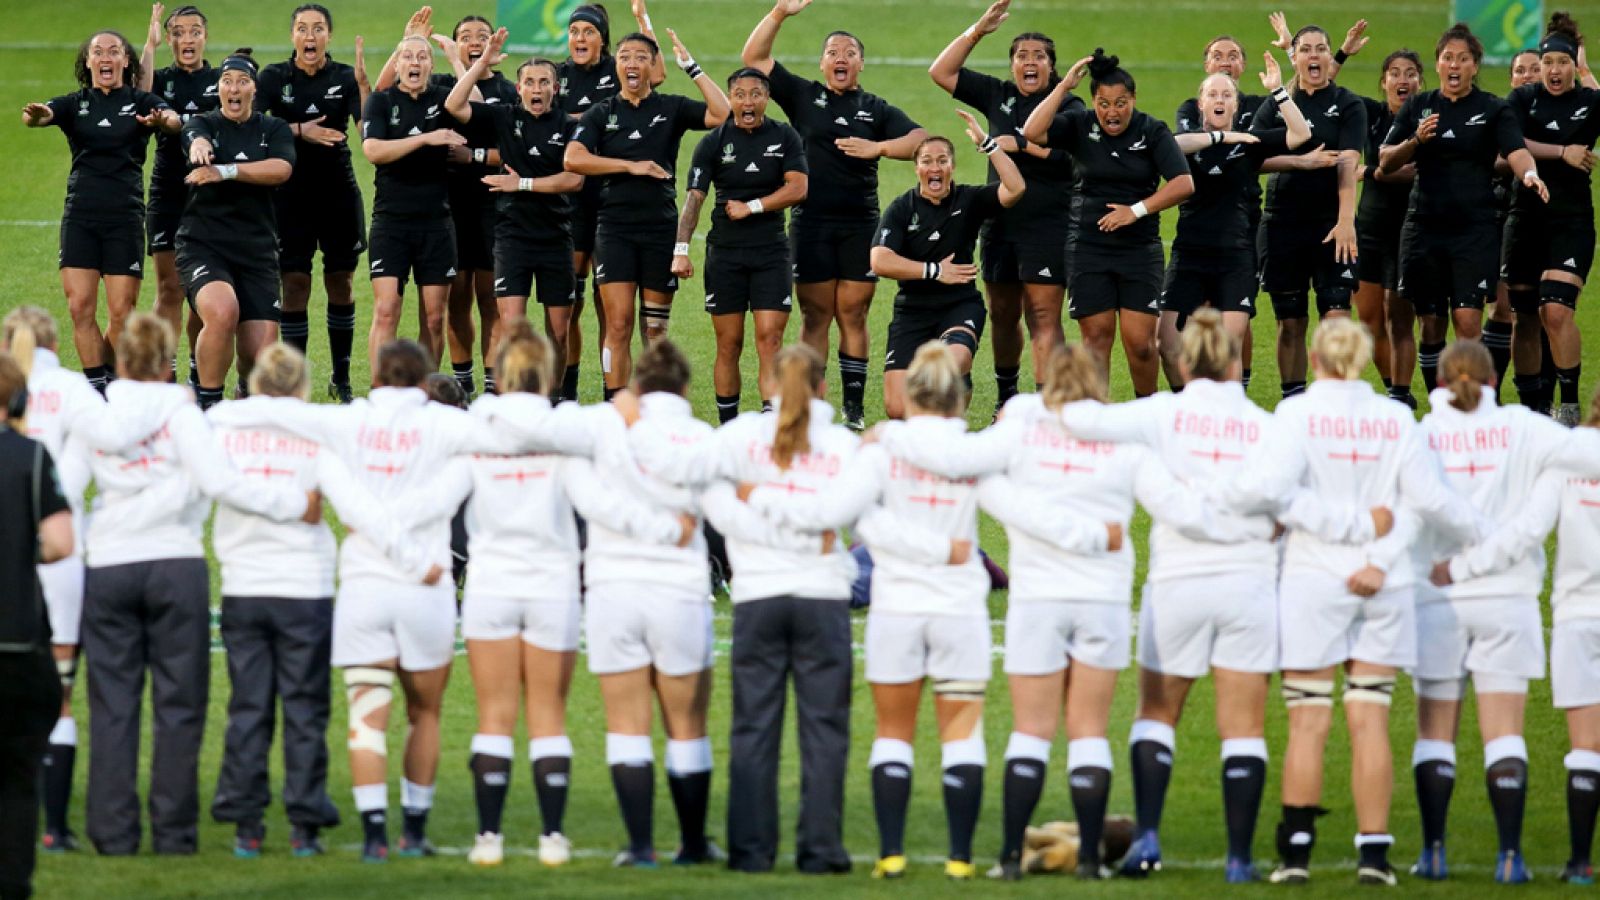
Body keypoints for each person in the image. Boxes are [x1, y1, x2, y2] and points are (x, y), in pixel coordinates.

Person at [873, 337, 1352, 881]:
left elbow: (961, 463)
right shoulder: (1125, 442)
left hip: (1040, 600)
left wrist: (892, 434)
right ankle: (1111, 865)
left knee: (1030, 730)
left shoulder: (1025, 424)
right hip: (1103, 601)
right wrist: (1248, 529)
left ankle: (1008, 859)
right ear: (1100, 385)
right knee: (1090, 732)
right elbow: (1179, 509)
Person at [625, 343, 926, 874]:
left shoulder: (740, 437)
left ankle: (750, 850)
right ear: (823, 387)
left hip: (758, 597)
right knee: (825, 729)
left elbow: (686, 475)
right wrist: (808, 531)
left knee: (753, 727)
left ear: (769, 384)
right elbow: (843, 513)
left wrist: (757, 505)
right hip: (822, 599)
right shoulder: (841, 444)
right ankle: (820, 850)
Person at [1211, 319, 1484, 885]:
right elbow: (1425, 501)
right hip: (1384, 583)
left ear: (1313, 357)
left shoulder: (1296, 415)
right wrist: (1383, 558)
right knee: (1371, 719)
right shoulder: (1394, 416)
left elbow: (1266, 492)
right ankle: (1374, 858)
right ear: (1363, 358)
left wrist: (1331, 523)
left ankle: (1296, 857)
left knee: (1308, 720)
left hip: (1312, 581)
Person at [405, 323, 689, 867]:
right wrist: (665, 529)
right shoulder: (568, 431)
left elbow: (436, 501)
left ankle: (488, 839)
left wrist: (396, 543)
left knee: (493, 715)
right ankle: (552, 838)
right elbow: (599, 504)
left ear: (502, 372)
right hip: (553, 588)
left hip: (490, 585)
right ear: (549, 372)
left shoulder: (479, 430)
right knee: (548, 715)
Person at [79, 313, 318, 856]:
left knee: (113, 703)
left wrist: (100, 532)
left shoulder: (96, 413)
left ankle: (113, 834)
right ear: (166, 363)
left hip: (110, 564)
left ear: (119, 361)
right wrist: (291, 504)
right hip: (174, 562)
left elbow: (68, 489)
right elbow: (218, 482)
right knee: (179, 704)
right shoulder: (183, 415)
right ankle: (174, 833)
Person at [204, 343, 432, 858]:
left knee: (248, 707)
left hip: (244, 587)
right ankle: (305, 825)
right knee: (305, 710)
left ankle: (247, 824)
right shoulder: (316, 436)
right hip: (304, 589)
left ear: (257, 381)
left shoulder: (225, 428)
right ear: (302, 385)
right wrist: (415, 558)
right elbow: (357, 508)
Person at [1406, 341, 1600, 883]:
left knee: (1435, 734)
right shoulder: (1524, 427)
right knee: (1505, 734)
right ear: (1494, 382)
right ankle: (1510, 857)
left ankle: (1434, 853)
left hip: (1438, 599)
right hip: (1508, 601)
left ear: (1439, 384)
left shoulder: (1421, 435)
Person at [741, 0, 927, 430]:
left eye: (849, 52)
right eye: (833, 52)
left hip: (861, 224)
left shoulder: (875, 108)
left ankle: (855, 411)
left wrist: (878, 147)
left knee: (855, 314)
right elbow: (753, 59)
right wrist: (779, 14)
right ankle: (814, 408)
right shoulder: (804, 96)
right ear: (822, 63)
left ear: (861, 63)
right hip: (810, 224)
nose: (841, 58)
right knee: (815, 317)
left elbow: (920, 139)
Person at [1, 308, 133, 853]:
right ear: (57, 340)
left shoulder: (12, 387)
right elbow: (114, 438)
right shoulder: (74, 388)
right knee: (60, 691)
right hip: (61, 548)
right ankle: (54, 826)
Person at [564, 29, 728, 399]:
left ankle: (655, 404)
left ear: (654, 65)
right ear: (617, 64)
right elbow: (573, 158)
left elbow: (722, 113)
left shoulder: (670, 107)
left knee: (655, 330)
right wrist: (630, 167)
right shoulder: (601, 112)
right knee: (618, 325)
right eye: (624, 56)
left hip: (659, 230)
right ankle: (616, 406)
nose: (632, 63)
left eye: (641, 56)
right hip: (614, 231)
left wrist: (691, 66)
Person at [1380, 22, 1548, 382]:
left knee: (1469, 320)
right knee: (1430, 324)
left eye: (1463, 59)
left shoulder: (1492, 109)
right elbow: (1385, 161)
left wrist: (1530, 174)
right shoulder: (1419, 106)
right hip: (1424, 227)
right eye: (1447, 58)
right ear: (1438, 64)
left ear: (1475, 66)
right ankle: (1441, 404)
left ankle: (1470, 405)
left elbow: (1516, 151)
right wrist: (1415, 141)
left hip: (1474, 229)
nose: (1454, 65)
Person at [930, 0, 1077, 409]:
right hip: (999, 224)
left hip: (1048, 224)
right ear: (1012, 65)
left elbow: (1072, 161)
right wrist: (977, 31)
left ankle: (1049, 409)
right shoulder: (999, 95)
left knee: (1044, 317)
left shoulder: (1068, 105)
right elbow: (940, 72)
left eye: (1039, 57)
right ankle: (1008, 402)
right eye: (1021, 57)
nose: (1030, 63)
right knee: (1002, 315)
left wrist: (1020, 145)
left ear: (1052, 67)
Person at [1022, 49, 1193, 398]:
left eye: (1120, 103)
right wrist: (1063, 87)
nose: (1111, 112)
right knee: (1096, 340)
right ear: (1093, 102)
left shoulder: (1152, 131)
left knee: (1141, 343)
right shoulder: (1079, 125)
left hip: (1138, 251)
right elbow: (1031, 131)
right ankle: (1096, 421)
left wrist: (1136, 210)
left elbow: (1183, 183)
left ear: (1133, 99)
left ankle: (1147, 416)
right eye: (1103, 103)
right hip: (1088, 248)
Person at [21, 29, 179, 393]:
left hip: (124, 217)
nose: (106, 58)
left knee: (122, 312)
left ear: (126, 61)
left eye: (114, 52)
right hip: (81, 217)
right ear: (88, 61)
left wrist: (162, 121)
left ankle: (108, 378)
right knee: (80, 307)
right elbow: (40, 117)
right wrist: (36, 116)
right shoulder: (74, 103)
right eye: (98, 52)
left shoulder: (142, 101)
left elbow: (172, 120)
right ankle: (97, 387)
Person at [1161, 54, 1312, 389]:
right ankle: (1187, 405)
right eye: (1212, 95)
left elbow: (1300, 135)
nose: (1219, 100)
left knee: (1228, 349)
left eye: (1226, 95)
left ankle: (1227, 415)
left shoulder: (1252, 142)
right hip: (1189, 256)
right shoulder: (1191, 141)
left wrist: (1278, 91)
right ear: (1200, 104)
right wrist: (1223, 138)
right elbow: (1171, 143)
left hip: (1235, 258)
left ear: (1235, 104)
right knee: (1167, 344)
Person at [445, 42, 584, 377]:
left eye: (544, 82)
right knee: (512, 329)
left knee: (559, 333)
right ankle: (513, 400)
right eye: (530, 82)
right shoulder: (504, 117)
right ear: (519, 87)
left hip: (556, 237)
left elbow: (573, 180)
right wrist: (480, 65)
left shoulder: (568, 126)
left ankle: (552, 400)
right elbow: (455, 103)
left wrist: (521, 184)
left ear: (556, 87)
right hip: (512, 239)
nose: (537, 89)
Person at [676, 67, 807, 421]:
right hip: (725, 255)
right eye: (740, 94)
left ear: (766, 98)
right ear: (731, 99)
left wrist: (752, 207)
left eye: (755, 94)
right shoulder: (713, 142)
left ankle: (770, 424)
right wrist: (681, 251)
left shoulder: (785, 136)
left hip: (771, 252)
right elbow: (694, 198)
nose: (747, 102)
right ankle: (729, 426)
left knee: (770, 340)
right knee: (729, 344)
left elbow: (798, 188)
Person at [870, 119, 1023, 419]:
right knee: (898, 408)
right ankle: (955, 390)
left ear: (952, 166)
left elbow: (1015, 188)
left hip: (959, 305)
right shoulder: (902, 208)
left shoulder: (970, 200)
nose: (935, 168)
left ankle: (956, 389)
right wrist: (934, 271)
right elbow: (879, 260)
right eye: (927, 161)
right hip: (912, 311)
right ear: (917, 168)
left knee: (949, 367)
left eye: (942, 161)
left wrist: (988, 144)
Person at [255, 3, 369, 402]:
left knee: (341, 281)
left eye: (318, 29)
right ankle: (295, 382)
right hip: (289, 197)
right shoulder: (272, 77)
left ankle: (342, 379)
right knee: (295, 283)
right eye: (302, 28)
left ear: (328, 36)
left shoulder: (344, 77)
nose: (310, 36)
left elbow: (367, 130)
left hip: (338, 193)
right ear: (292, 37)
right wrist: (301, 131)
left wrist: (366, 85)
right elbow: (251, 127)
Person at [1245, 25, 1363, 400]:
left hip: (1331, 225)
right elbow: (1250, 158)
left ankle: (1337, 405)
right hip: (1283, 225)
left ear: (1331, 57)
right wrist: (1302, 163)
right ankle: (1293, 402)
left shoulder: (1348, 104)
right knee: (1290, 322)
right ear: (1293, 58)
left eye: (1322, 49)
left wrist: (1346, 221)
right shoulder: (1275, 105)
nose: (1314, 55)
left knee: (1337, 320)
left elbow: (1348, 162)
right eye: (1306, 50)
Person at [556, 2, 663, 403]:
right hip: (568, 205)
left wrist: (643, 24)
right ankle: (566, 393)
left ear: (604, 38)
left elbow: (659, 73)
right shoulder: (558, 75)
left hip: (608, 206)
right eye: (574, 31)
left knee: (611, 311)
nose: (580, 38)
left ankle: (610, 396)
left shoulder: (618, 70)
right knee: (568, 304)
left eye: (588, 31)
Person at [178, 49, 295, 409]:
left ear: (253, 91)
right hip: (204, 244)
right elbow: (193, 137)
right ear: (219, 89)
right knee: (222, 310)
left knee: (258, 353)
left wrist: (225, 171)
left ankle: (244, 395)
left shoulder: (272, 128)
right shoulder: (204, 124)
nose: (233, 88)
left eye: (242, 81)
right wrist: (198, 146)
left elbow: (281, 169)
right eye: (227, 81)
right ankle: (208, 406)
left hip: (257, 250)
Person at [0, 351, 74, 900]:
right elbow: (60, 542)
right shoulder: (30, 457)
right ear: (19, 401)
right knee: (17, 779)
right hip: (18, 641)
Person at [1502, 12, 1600, 425]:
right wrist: (1563, 152)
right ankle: (1534, 408)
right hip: (1525, 219)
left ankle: (1569, 405)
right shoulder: (1523, 100)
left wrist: (1588, 71)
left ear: (1572, 66)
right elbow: (1510, 141)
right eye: (1547, 64)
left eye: (1561, 63)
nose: (1553, 71)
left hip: (1571, 221)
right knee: (1525, 315)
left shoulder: (1588, 102)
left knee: (1556, 311)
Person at [361, 33, 467, 382]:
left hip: (436, 223)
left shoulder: (444, 98)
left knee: (435, 317)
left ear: (430, 65)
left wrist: (455, 58)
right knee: (387, 309)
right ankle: (381, 393)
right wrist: (426, 138)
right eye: (407, 56)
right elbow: (373, 150)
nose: (415, 63)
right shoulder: (380, 101)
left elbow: (476, 106)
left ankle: (426, 392)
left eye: (422, 57)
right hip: (390, 222)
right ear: (397, 63)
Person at [138, 4, 217, 376]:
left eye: (195, 31)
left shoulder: (222, 81)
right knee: (170, 288)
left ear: (205, 37)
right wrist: (149, 48)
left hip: (211, 198)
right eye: (179, 33)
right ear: (169, 38)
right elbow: (135, 95)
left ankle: (197, 369)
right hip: (167, 192)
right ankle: (164, 373)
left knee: (202, 293)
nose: (188, 39)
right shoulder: (158, 78)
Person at [1353, 50, 1421, 406]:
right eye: (1395, 73)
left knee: (1399, 320)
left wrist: (1373, 172)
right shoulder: (1370, 113)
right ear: (1384, 82)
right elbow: (1322, 84)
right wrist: (1343, 52)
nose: (1402, 80)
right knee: (1368, 321)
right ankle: (1394, 392)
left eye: (1410, 73)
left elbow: (1413, 171)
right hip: (1368, 229)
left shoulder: (1426, 121)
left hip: (1408, 232)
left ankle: (1400, 393)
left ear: (1420, 82)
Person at [1501, 49, 1550, 411]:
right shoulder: (1503, 114)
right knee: (1509, 311)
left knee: (1552, 311)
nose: (1529, 75)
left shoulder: (1562, 110)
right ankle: (1501, 397)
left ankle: (1545, 400)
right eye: (1521, 70)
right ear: (1511, 78)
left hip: (1556, 221)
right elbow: (1502, 155)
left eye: (1537, 68)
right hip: (1506, 216)